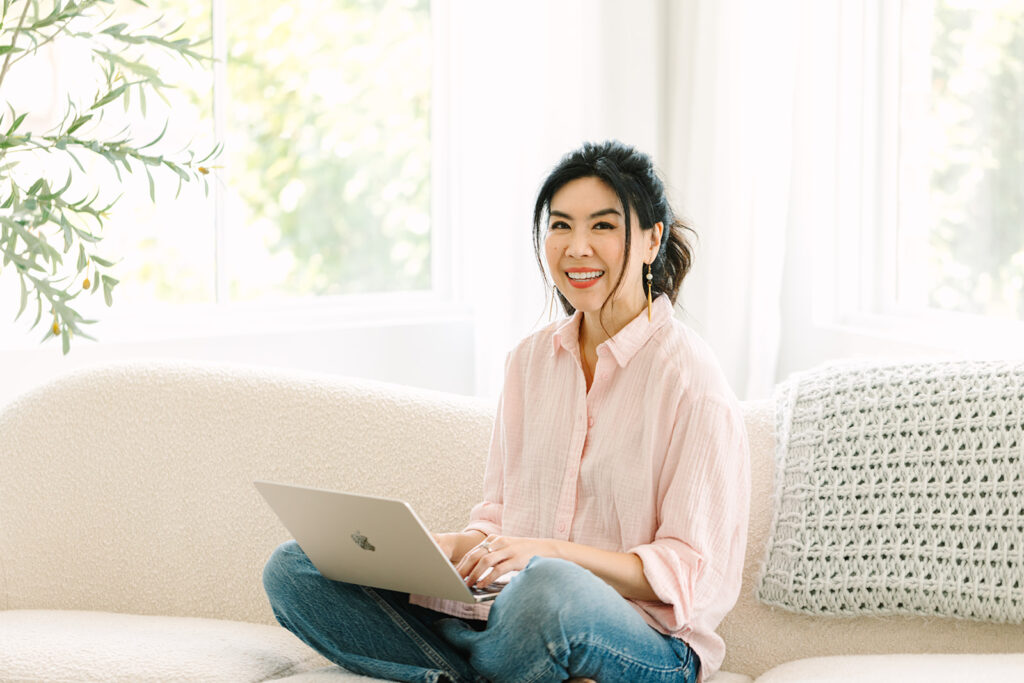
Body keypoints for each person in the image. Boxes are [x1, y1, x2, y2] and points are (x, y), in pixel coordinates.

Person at [263, 140, 750, 683]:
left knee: (549, 588)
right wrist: (452, 549)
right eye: (560, 226)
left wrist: (545, 554)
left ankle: (483, 664)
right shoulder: (530, 362)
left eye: (604, 227)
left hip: (645, 643)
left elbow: (687, 575)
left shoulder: (691, 381)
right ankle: (481, 672)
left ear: (650, 240)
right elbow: (499, 519)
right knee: (296, 565)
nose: (577, 247)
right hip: (505, 617)